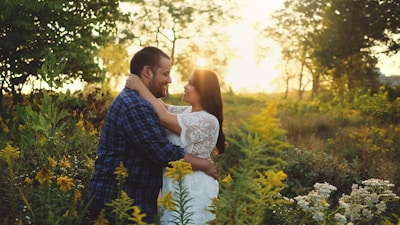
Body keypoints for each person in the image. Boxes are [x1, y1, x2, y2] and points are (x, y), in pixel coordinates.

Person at [86, 46, 217, 224]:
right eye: (165, 74)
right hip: (120, 200)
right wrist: (204, 164)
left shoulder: (139, 101)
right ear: (147, 72)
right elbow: (163, 152)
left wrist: (140, 87)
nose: (170, 80)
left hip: (137, 197)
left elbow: (163, 112)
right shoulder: (136, 106)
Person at [125, 69, 226, 225]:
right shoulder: (187, 112)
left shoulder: (207, 120)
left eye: (191, 84)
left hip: (193, 188)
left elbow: (163, 117)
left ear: (203, 91)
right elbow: (162, 108)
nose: (185, 86)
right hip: (175, 186)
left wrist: (139, 86)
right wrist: (143, 82)